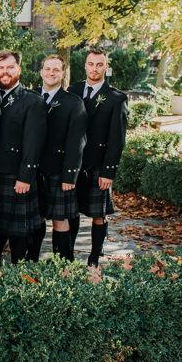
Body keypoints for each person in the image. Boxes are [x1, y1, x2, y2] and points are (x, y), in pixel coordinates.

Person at [68, 47, 129, 267]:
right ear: (85, 66)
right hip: (73, 164)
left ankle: (94, 257)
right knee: (71, 212)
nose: (95, 69)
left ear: (106, 66)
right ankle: (69, 254)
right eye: (91, 64)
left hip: (98, 165)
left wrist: (108, 171)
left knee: (98, 214)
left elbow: (117, 139)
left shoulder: (116, 98)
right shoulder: (72, 91)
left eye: (99, 64)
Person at [0, 50, 46, 264]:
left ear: (18, 70)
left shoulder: (32, 100)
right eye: (1, 68)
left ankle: (18, 269)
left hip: (16, 174)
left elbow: (34, 142)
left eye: (10, 67)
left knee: (19, 230)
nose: (5, 72)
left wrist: (25, 176)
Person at [31, 55, 86, 261]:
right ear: (42, 71)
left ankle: (63, 264)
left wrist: (70, 175)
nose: (51, 73)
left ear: (63, 74)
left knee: (60, 219)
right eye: (47, 69)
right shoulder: (31, 96)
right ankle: (31, 260)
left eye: (56, 70)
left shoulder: (73, 102)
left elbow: (77, 142)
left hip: (59, 171)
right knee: (36, 219)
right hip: (34, 170)